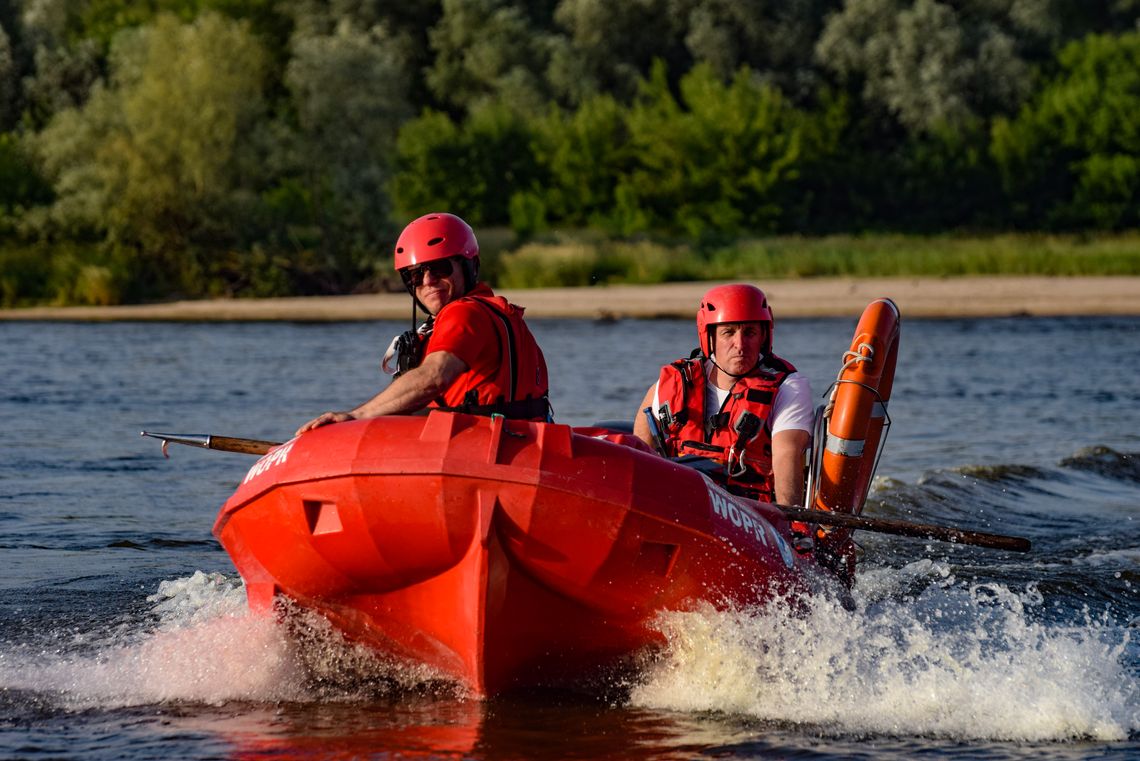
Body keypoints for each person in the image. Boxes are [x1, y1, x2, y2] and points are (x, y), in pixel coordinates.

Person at [296, 212, 550, 435]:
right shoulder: (493, 313)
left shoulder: (464, 313)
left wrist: (355, 416)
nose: (428, 281)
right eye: (416, 274)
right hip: (517, 440)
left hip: (486, 449)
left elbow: (434, 376)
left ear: (469, 267)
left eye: (440, 268)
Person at [632, 284, 813, 506]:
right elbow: (643, 426)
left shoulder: (789, 387)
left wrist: (790, 523)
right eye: (728, 332)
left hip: (749, 511)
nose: (740, 345)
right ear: (710, 337)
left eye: (750, 332)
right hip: (683, 502)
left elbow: (787, 454)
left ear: (764, 336)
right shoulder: (678, 382)